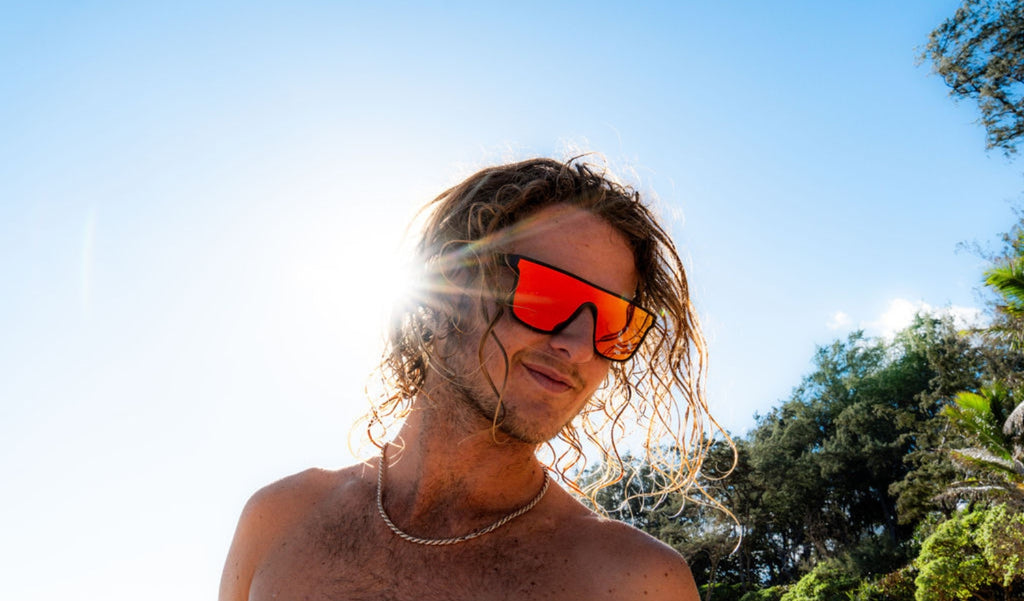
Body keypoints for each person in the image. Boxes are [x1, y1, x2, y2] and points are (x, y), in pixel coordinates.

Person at [220, 157, 719, 600]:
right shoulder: (279, 519)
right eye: (546, 293)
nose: (577, 345)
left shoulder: (633, 582)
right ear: (445, 291)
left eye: (614, 322)